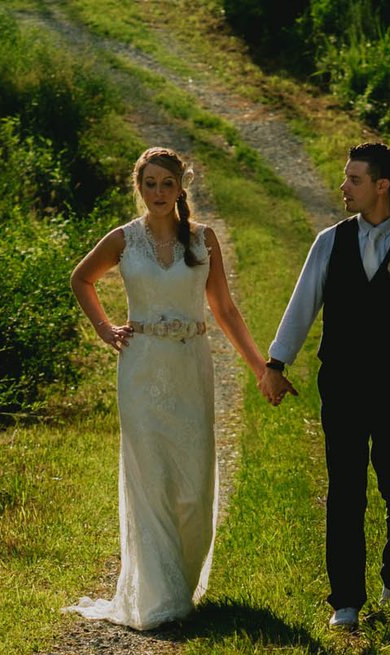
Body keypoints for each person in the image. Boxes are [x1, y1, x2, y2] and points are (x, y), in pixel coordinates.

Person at [65, 145, 277, 630]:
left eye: (166, 183)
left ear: (181, 187)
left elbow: (225, 310)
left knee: (192, 484)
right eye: (149, 184)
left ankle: (183, 579)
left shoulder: (203, 241)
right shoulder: (122, 240)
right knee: (151, 478)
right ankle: (163, 600)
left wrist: (259, 367)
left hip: (189, 367)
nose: (158, 193)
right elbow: (81, 279)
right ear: (138, 189)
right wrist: (104, 328)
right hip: (140, 370)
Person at [262, 141, 390, 629]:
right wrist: (276, 363)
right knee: (345, 488)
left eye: (354, 179)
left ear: (381, 185)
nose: (343, 187)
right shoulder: (329, 242)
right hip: (341, 384)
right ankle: (345, 600)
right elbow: (302, 305)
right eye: (345, 179)